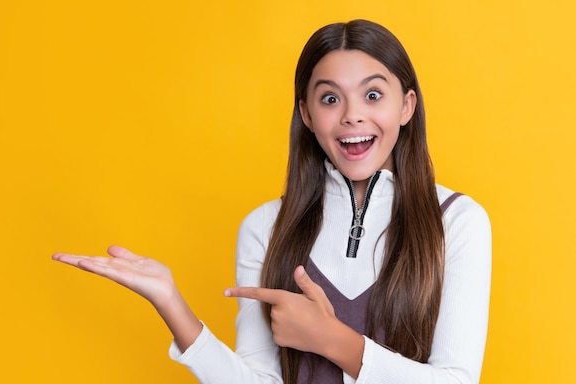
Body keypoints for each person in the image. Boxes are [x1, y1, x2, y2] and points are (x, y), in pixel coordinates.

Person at [53, 19, 491, 384]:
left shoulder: (456, 221)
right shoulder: (265, 227)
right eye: (330, 98)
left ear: (407, 106)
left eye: (373, 95)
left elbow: (456, 380)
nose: (352, 114)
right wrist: (170, 302)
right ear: (306, 114)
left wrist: (330, 340)